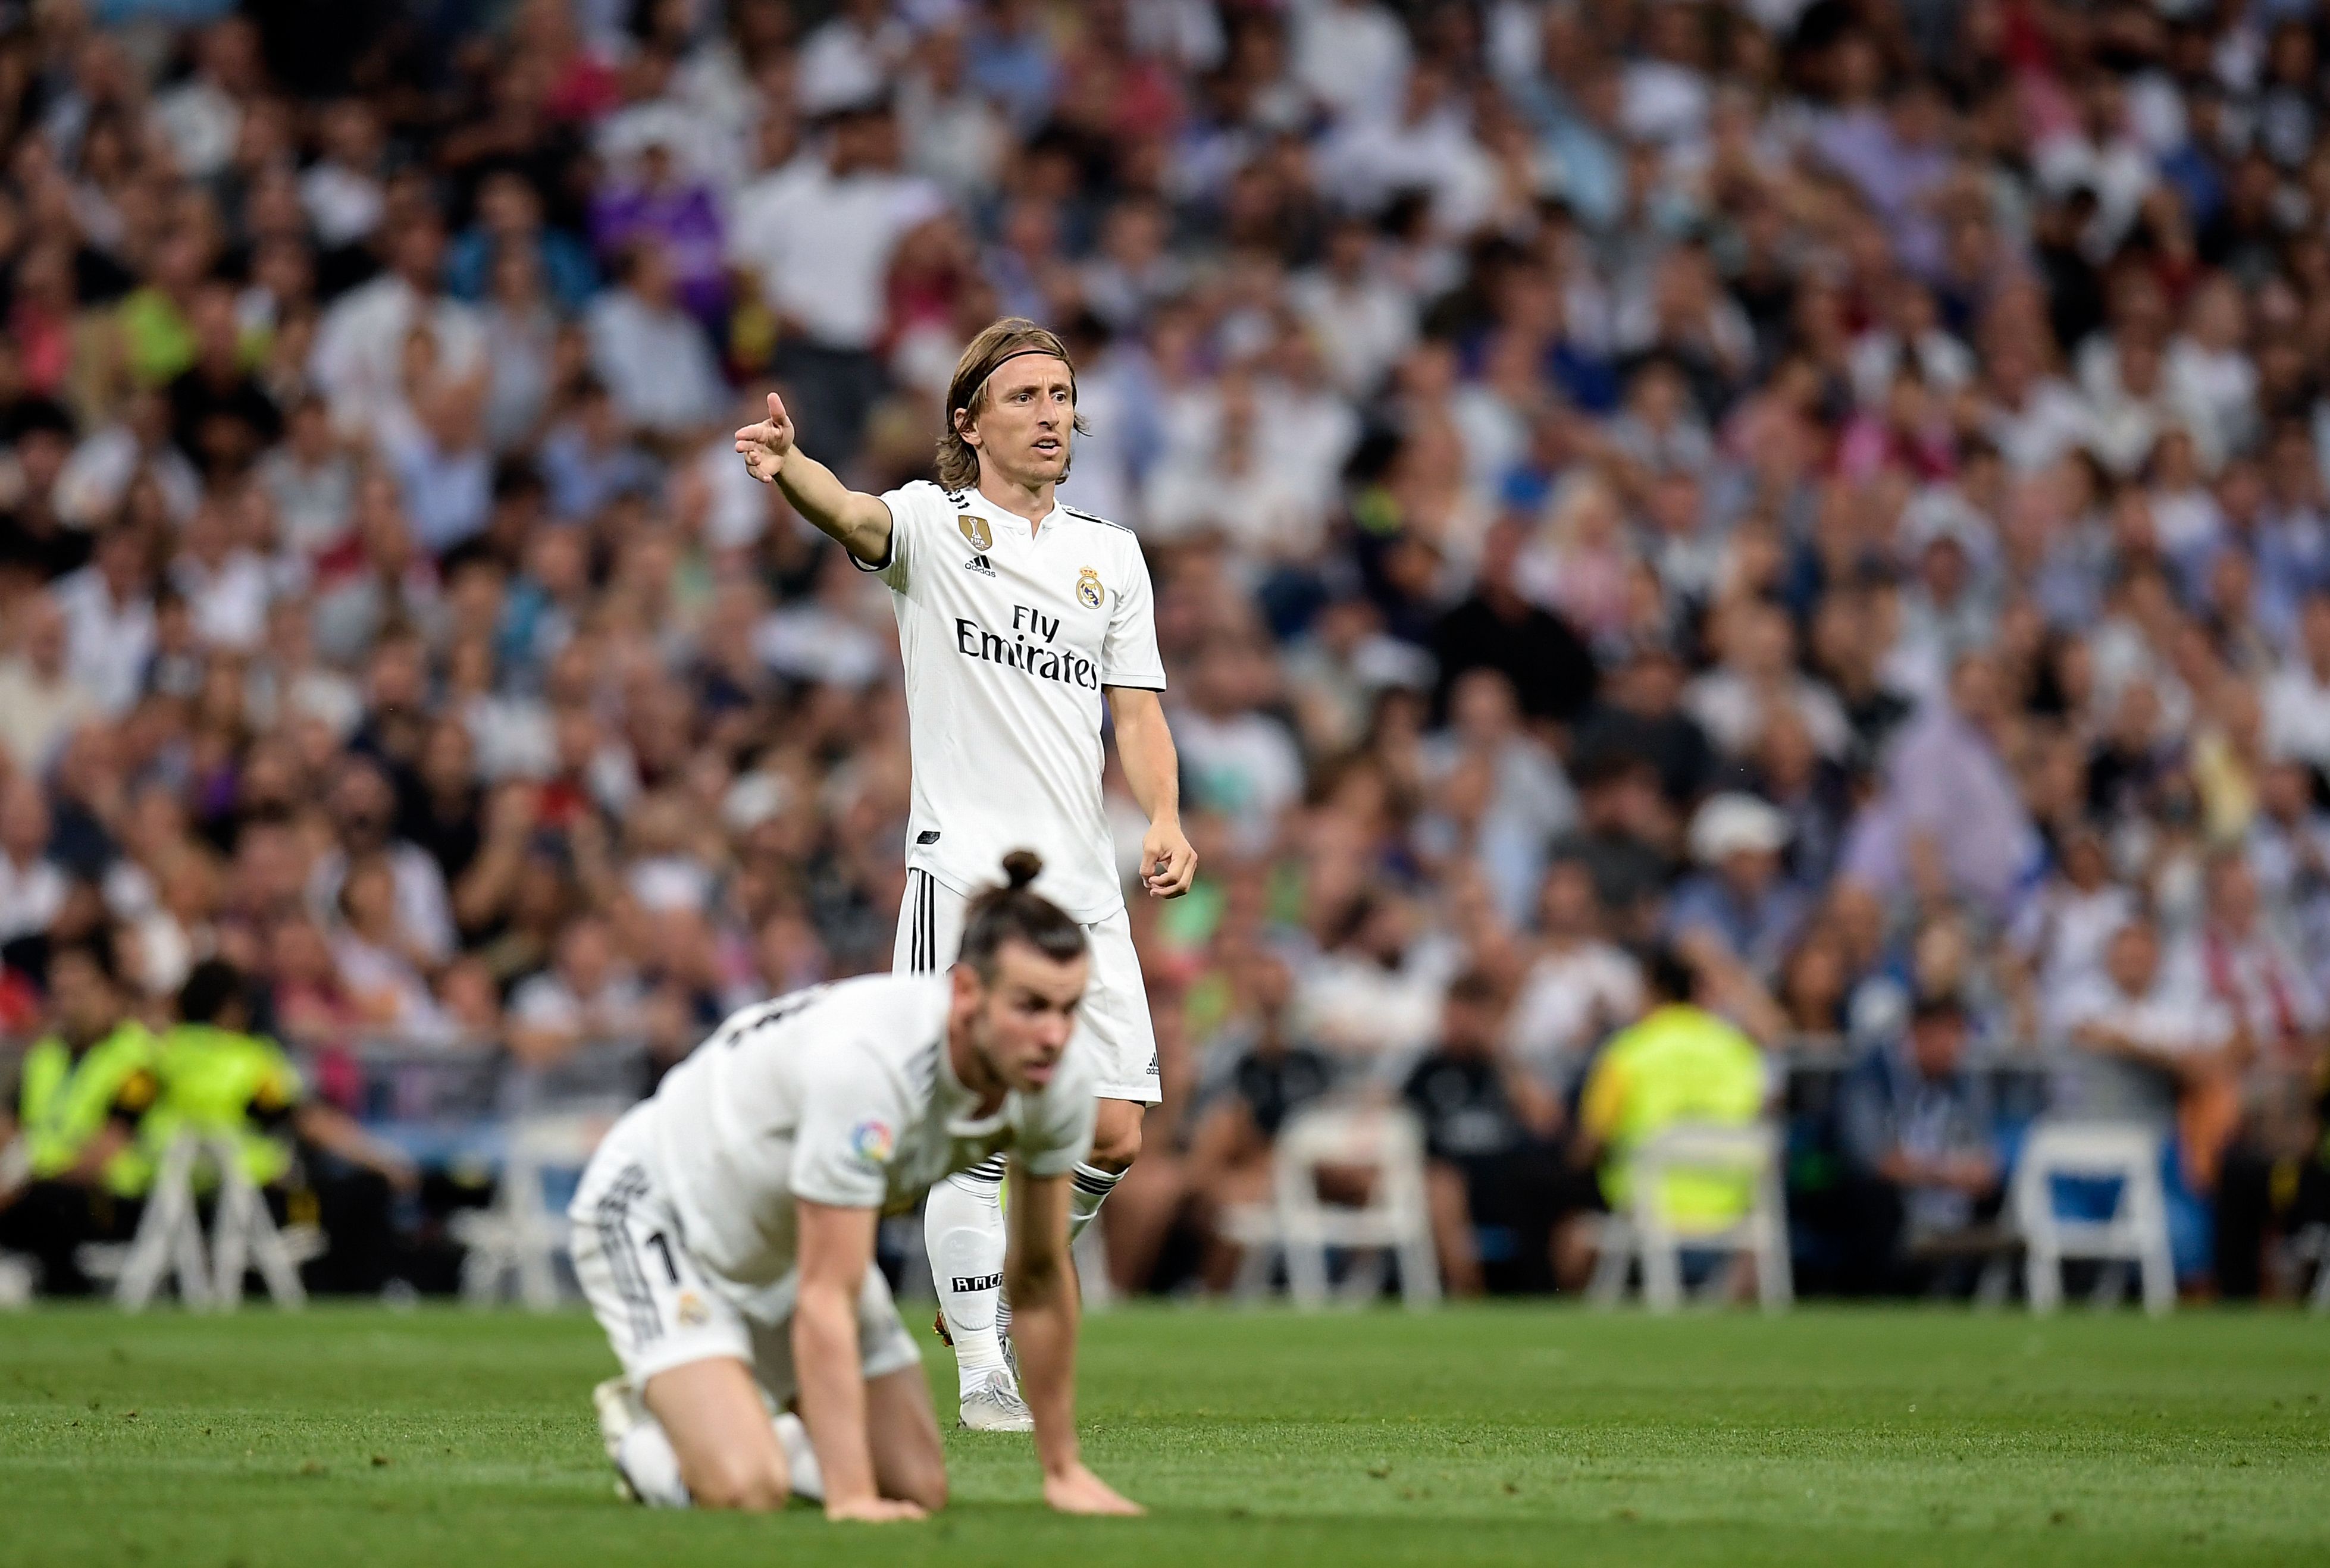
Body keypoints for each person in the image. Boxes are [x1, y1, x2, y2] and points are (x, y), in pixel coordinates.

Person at [734, 317, 1195, 1429]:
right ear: (969, 422)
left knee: (1117, 1130)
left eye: (1062, 396)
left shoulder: (1110, 553)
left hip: (1081, 881)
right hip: (967, 875)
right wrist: (791, 466)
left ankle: (975, 1286)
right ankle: (985, 1358)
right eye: (1026, 396)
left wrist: (1167, 816)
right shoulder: (937, 527)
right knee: (979, 1125)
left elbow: (1135, 710)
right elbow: (850, 513)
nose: (1051, 415)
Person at [568, 852, 1139, 1520]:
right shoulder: (871, 1067)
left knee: (917, 1486)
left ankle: (726, 1420)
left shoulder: (1056, 1079)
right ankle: (650, 1437)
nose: (1052, 1034)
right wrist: (850, 1495)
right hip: (664, 1209)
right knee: (747, 1489)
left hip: (790, 1230)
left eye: (1068, 1009)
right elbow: (825, 1293)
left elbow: (1039, 1275)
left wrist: (1062, 1468)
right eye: (1030, 1005)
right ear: (964, 993)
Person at [1558, 948, 1768, 1290]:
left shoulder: (1628, 1052)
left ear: (1654, 991)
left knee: (1568, 1221)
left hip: (1645, 1205)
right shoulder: (1739, 1051)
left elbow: (1588, 1144)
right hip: (1729, 1207)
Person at [0, 936, 159, 1296]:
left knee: (44, 1207)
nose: (68, 1005)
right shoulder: (45, 1057)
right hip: (39, 1189)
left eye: (80, 993)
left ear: (110, 992)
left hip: (111, 1197)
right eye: (61, 994)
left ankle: (63, 1290)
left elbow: (106, 1151)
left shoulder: (139, 1059)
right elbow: (10, 1127)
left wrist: (20, 1186)